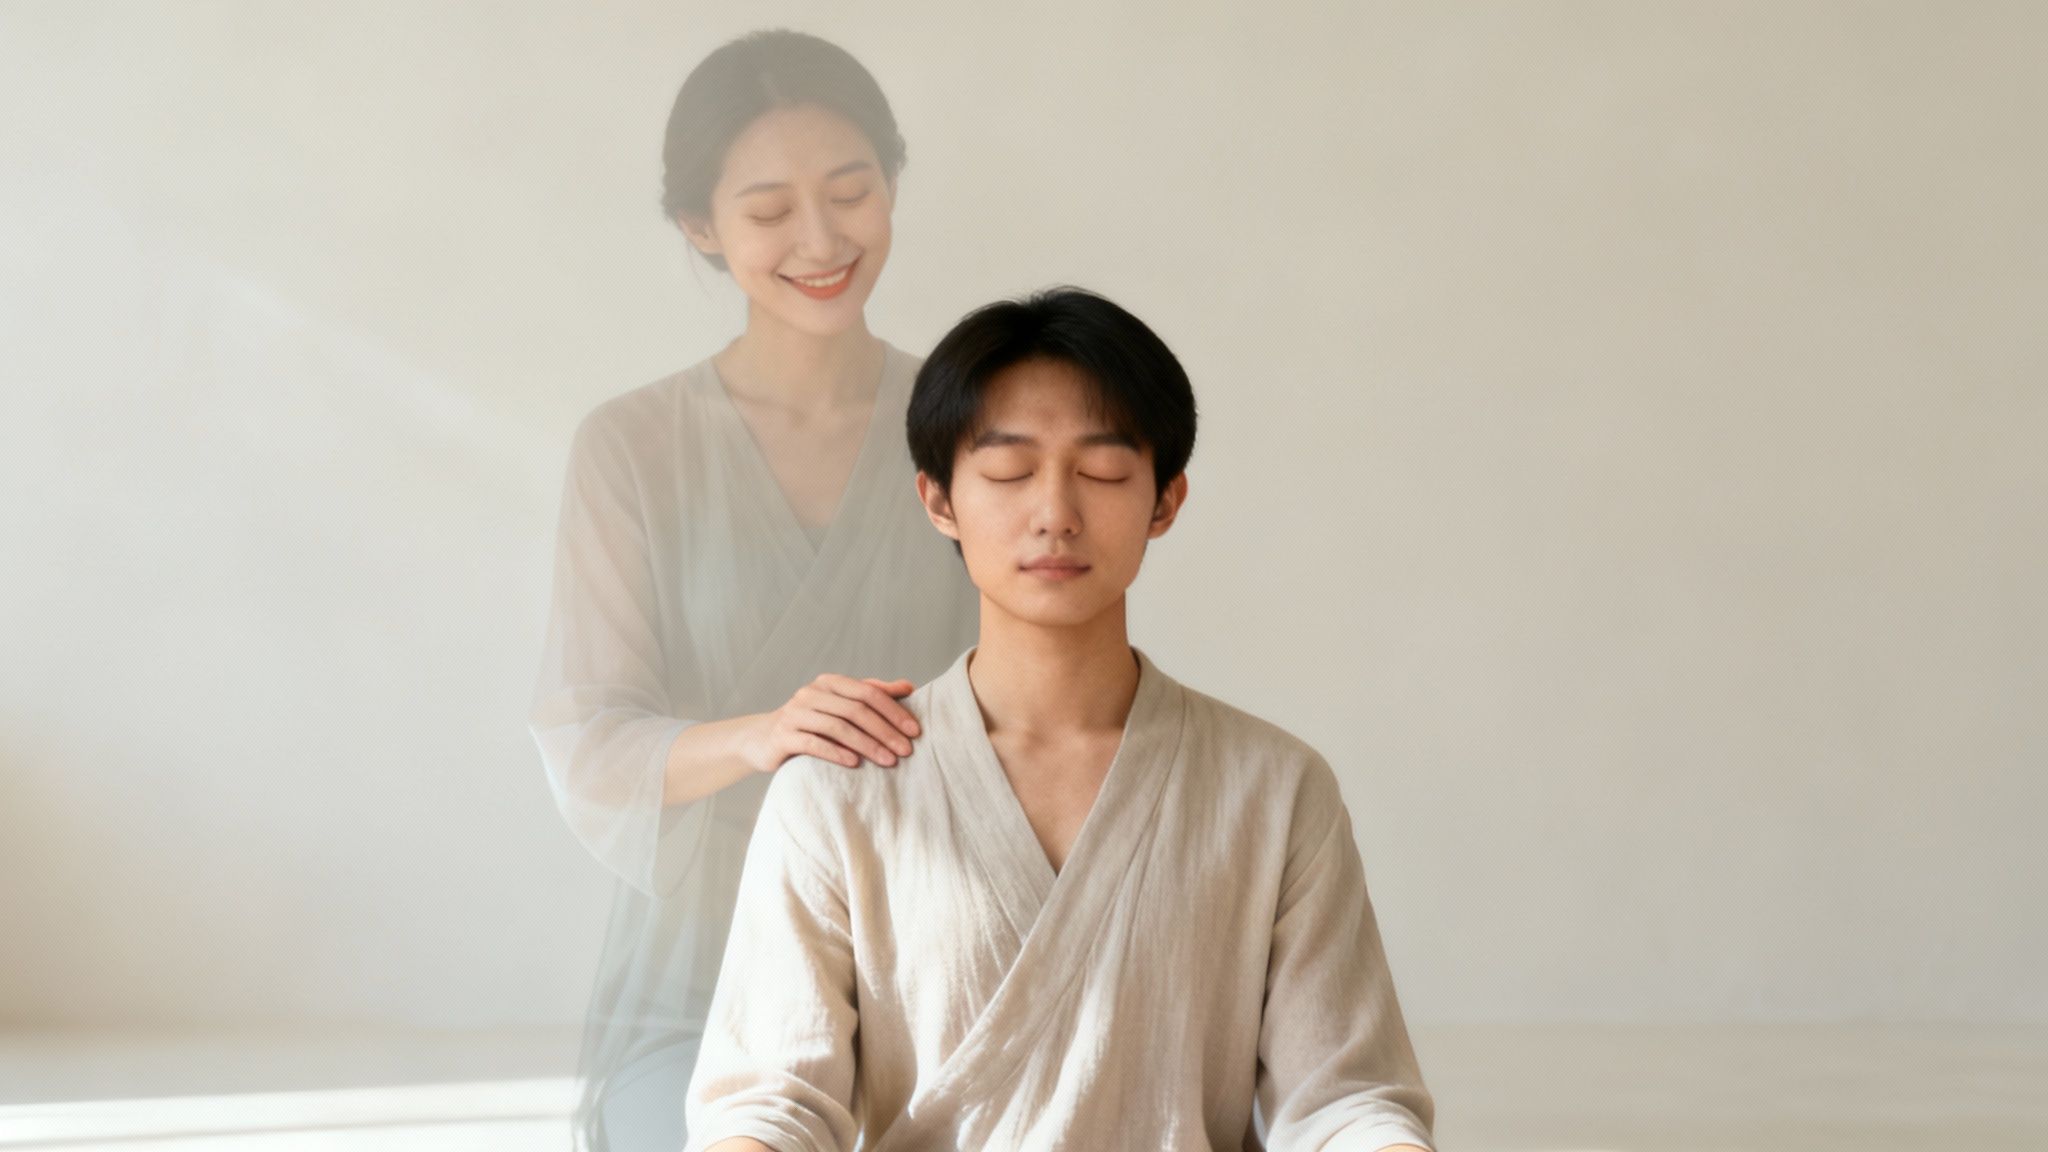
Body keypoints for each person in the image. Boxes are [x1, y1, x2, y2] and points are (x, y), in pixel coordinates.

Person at [684, 288, 1435, 1151]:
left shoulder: (1275, 788)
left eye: (1104, 472)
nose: (1056, 514)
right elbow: (771, 1103)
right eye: (1009, 472)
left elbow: (1343, 1100)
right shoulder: (837, 790)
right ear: (938, 500)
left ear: (1165, 500)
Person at [528, 30, 978, 1151]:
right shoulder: (632, 446)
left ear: (891, 186)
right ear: (700, 226)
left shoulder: (971, 425)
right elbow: (590, 738)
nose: (821, 240)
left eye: (850, 192)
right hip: (708, 976)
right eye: (770, 210)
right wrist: (765, 735)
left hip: (943, 951)